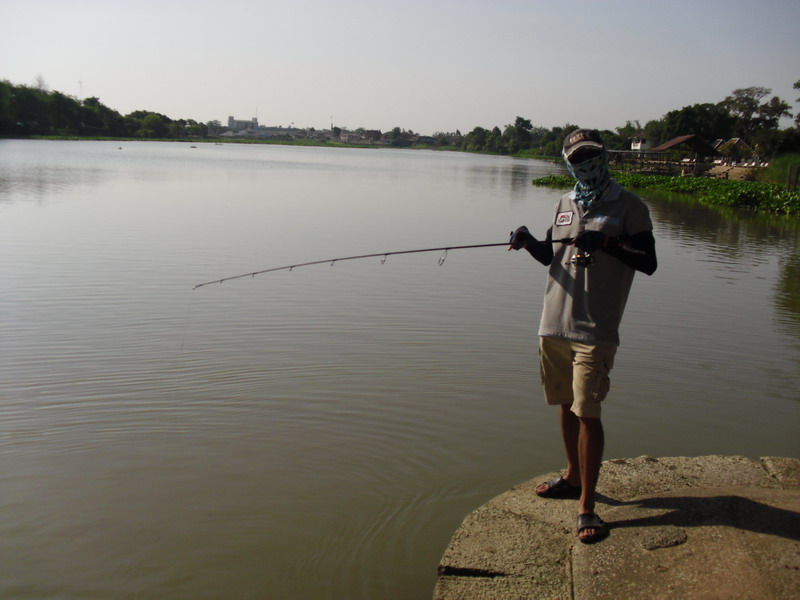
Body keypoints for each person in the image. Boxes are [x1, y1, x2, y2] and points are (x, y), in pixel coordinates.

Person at [509, 128, 657, 544]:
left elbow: (648, 263)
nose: (585, 164)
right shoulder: (564, 202)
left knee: (588, 412)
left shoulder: (629, 206)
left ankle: (587, 506)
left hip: (595, 330)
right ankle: (573, 477)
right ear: (568, 162)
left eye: (591, 155)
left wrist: (608, 243)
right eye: (577, 158)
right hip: (553, 324)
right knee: (565, 406)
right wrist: (528, 242)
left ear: (603, 156)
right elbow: (551, 256)